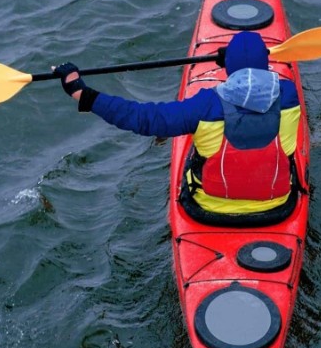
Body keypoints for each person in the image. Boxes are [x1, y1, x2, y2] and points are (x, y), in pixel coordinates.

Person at [54, 30, 302, 227]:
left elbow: (142, 118)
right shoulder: (290, 96)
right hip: (276, 206)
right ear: (265, 64)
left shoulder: (204, 105)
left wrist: (81, 92)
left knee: (194, 141)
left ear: (229, 68)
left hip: (209, 210)